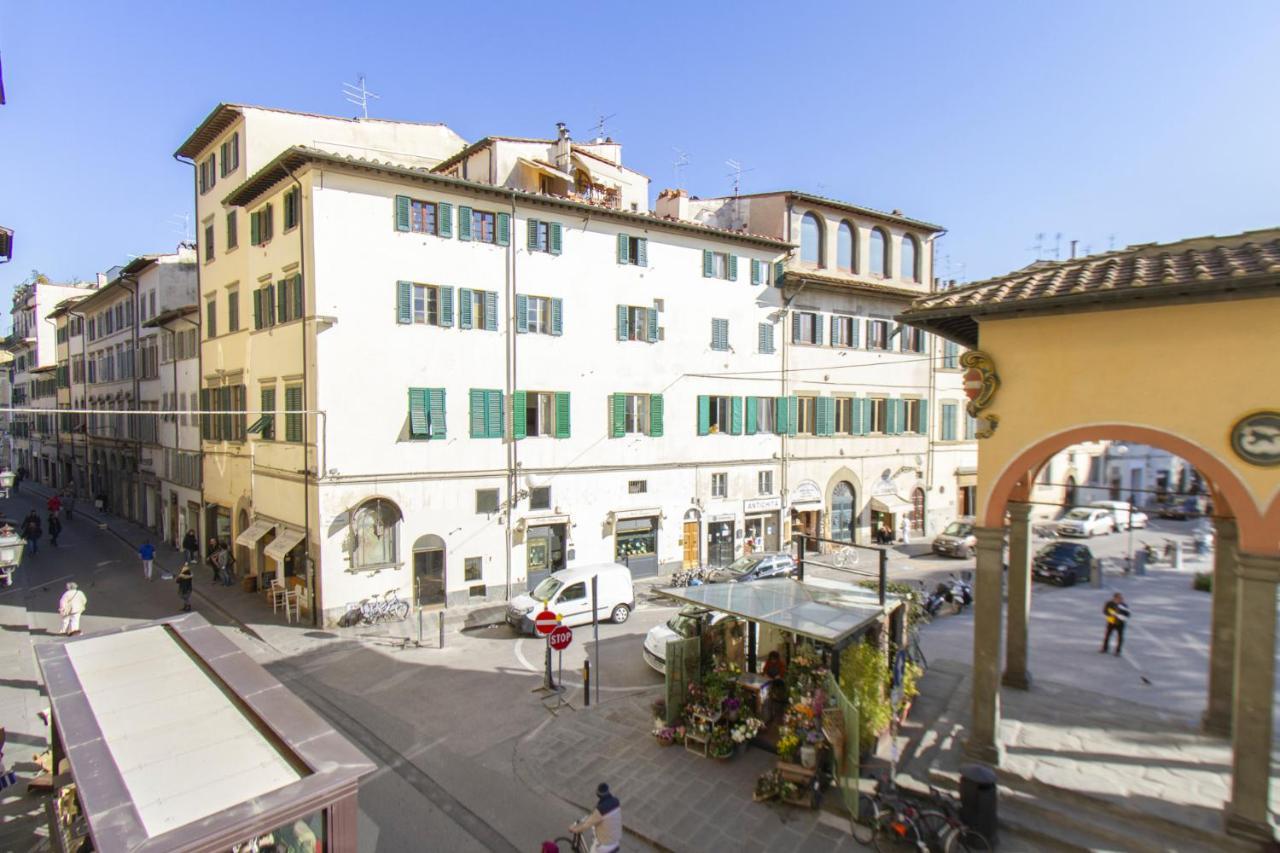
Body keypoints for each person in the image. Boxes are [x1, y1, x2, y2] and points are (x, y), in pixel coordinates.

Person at [569, 783, 622, 853]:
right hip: (616, 841)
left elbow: (586, 825)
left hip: (605, 846)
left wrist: (574, 829)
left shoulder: (600, 810)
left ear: (598, 794)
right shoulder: (616, 801)